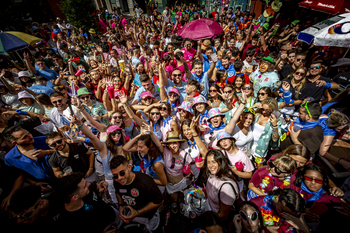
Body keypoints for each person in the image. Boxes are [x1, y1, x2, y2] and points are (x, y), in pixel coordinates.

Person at [110, 155, 164, 232]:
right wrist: (120, 206)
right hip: (132, 217)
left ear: (129, 167)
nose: (119, 178)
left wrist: (137, 213)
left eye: (122, 173)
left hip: (148, 217)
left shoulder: (145, 182)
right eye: (115, 175)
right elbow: (118, 192)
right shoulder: (117, 182)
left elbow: (159, 201)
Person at [55, 172, 121, 233]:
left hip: (116, 216)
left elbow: (96, 186)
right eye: (85, 186)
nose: (88, 184)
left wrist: (101, 186)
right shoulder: (66, 222)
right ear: (75, 197)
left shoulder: (88, 190)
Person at [205, 150, 239, 221]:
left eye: (214, 162)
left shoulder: (226, 187)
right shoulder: (213, 174)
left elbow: (223, 216)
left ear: (221, 162)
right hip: (210, 211)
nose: (210, 165)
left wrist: (206, 220)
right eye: (208, 162)